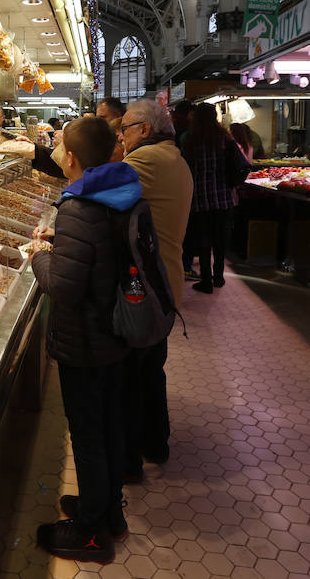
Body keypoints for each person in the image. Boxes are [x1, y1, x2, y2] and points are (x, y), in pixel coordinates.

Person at [30, 117, 140, 564]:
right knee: (110, 426)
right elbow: (102, 254)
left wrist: (40, 256)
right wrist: (65, 242)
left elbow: (66, 288)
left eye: (59, 148)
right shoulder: (119, 191)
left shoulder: (78, 206)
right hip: (115, 334)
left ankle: (92, 533)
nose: (56, 154)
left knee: (89, 435)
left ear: (72, 158)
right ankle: (109, 510)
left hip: (86, 342)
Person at [118, 99, 192, 479]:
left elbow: (99, 188)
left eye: (125, 129)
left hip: (146, 288)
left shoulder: (147, 160)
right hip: (164, 282)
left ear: (144, 129)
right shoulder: (171, 156)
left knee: (131, 377)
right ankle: (155, 442)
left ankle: (129, 461)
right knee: (150, 372)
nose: (122, 136)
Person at [181, 103, 247, 294]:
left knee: (203, 240)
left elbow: (185, 168)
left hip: (199, 198)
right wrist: (232, 183)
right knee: (219, 240)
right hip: (223, 198)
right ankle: (219, 277)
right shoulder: (225, 138)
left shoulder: (191, 140)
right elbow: (242, 165)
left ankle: (206, 281)